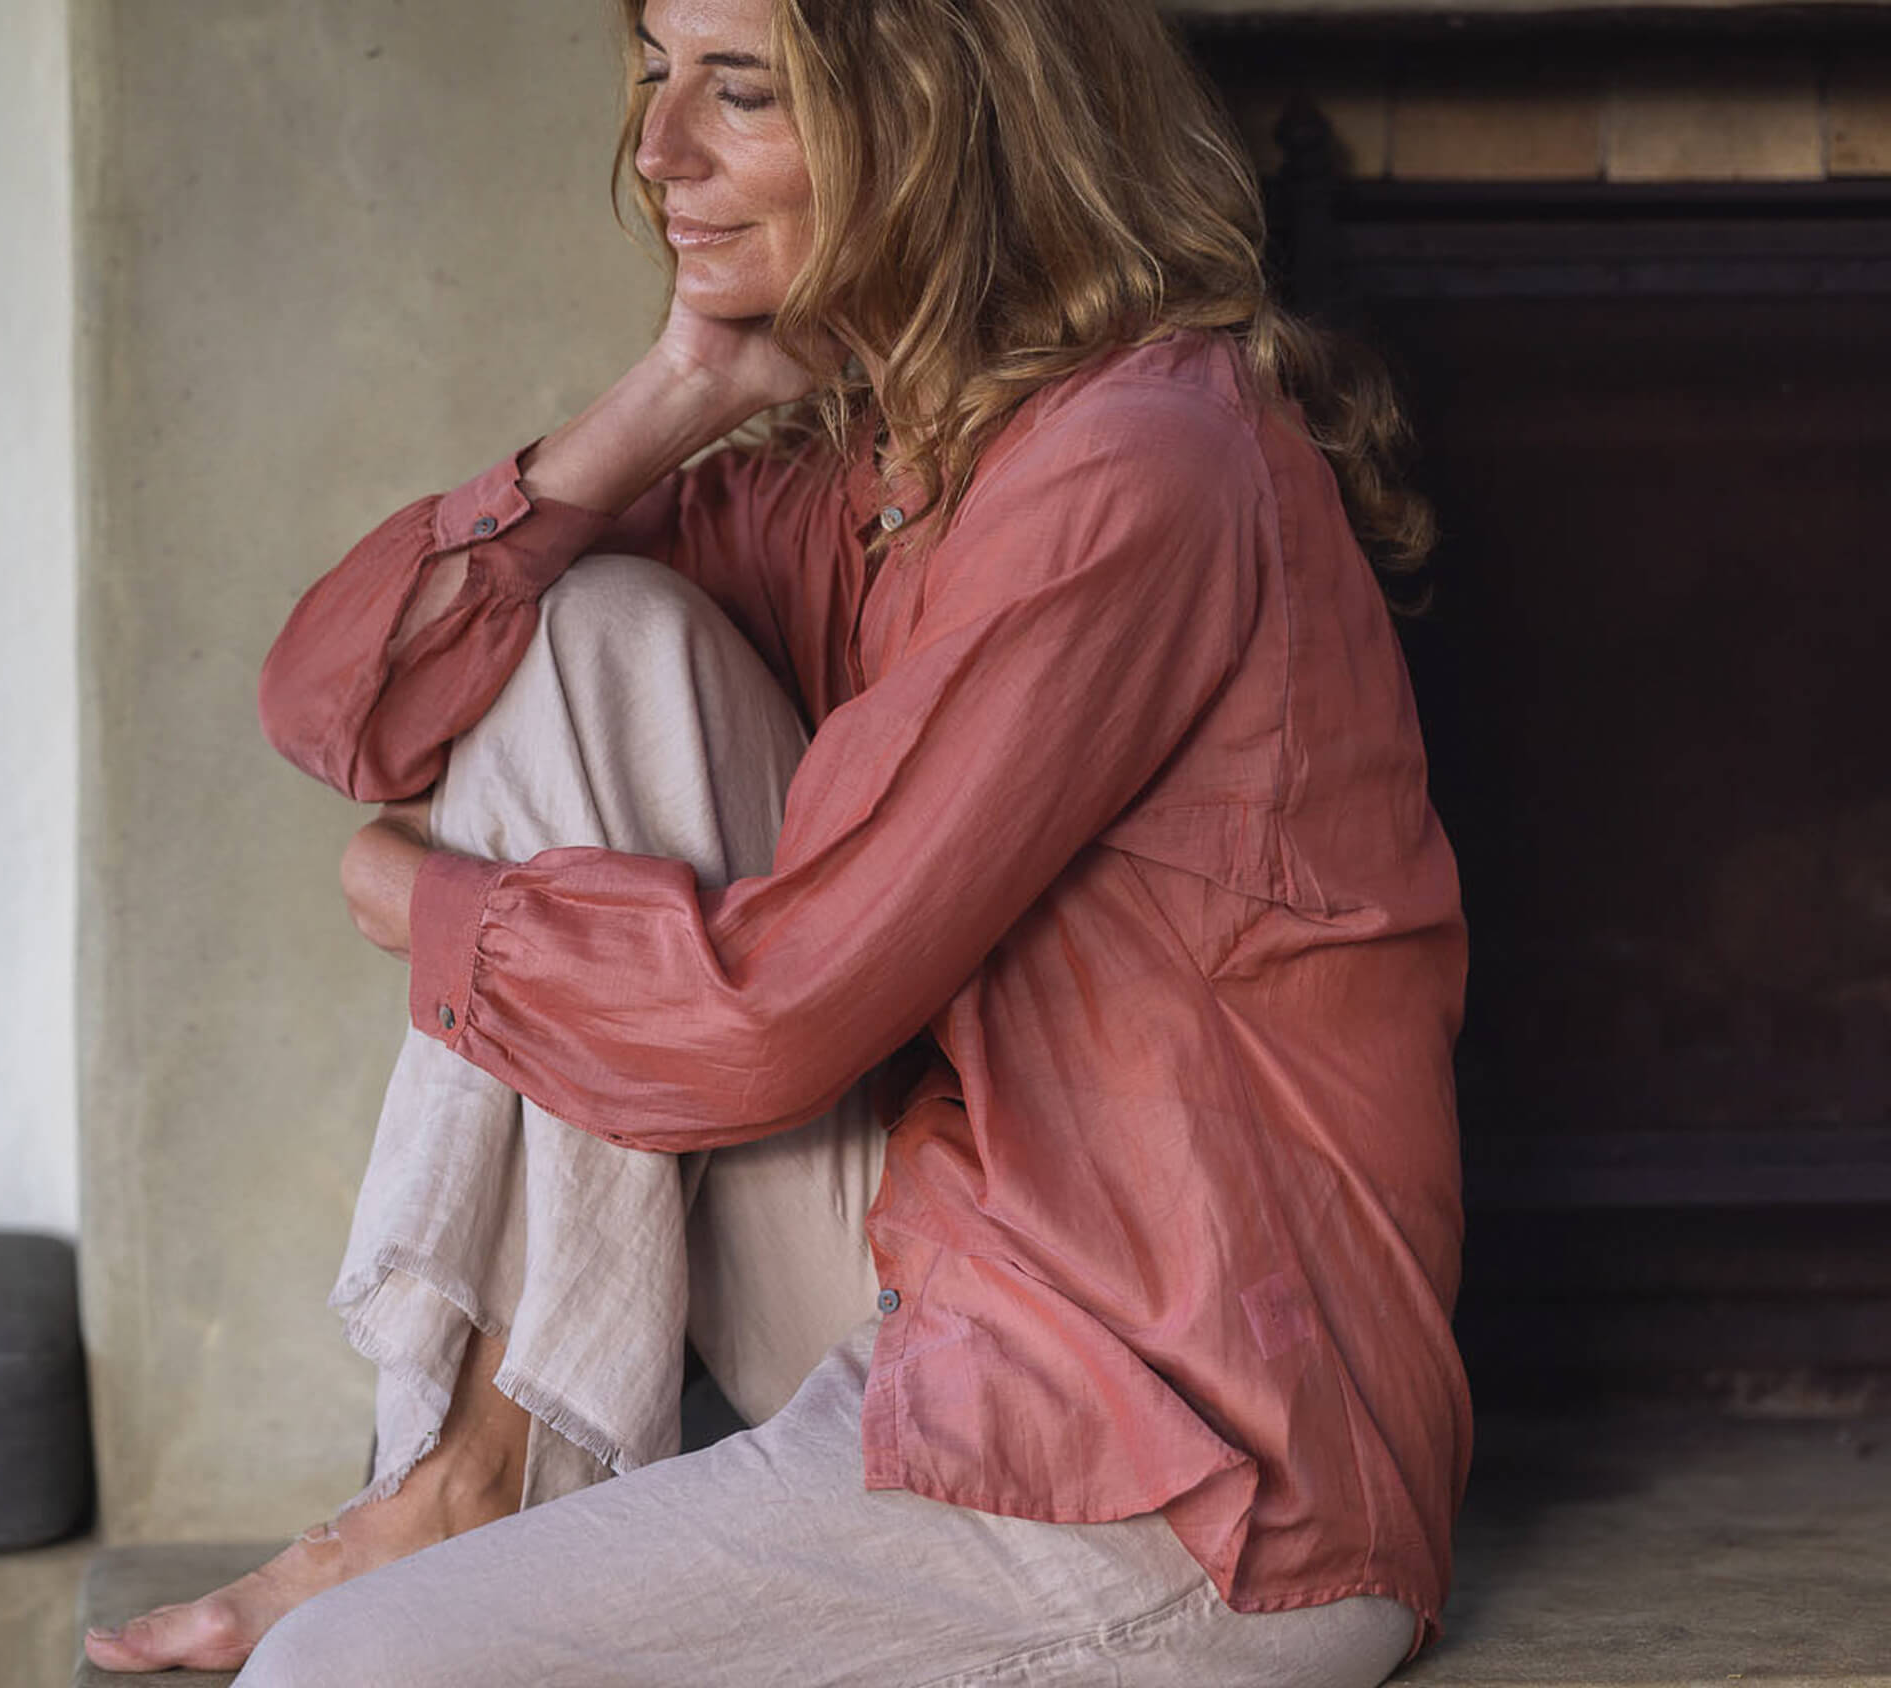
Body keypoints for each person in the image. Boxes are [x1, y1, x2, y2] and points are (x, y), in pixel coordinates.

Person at [79, 0, 1470, 1681]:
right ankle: (471, 1470)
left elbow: (772, 1014)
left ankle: (476, 1488)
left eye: (741, 92)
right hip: (937, 1303)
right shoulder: (861, 474)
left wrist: (419, 906)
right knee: (583, 634)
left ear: (948, 124)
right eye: (657, 77)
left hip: (1187, 1466)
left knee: (347, 1672)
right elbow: (342, 706)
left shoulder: (1139, 466)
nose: (658, 151)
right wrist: (666, 392)